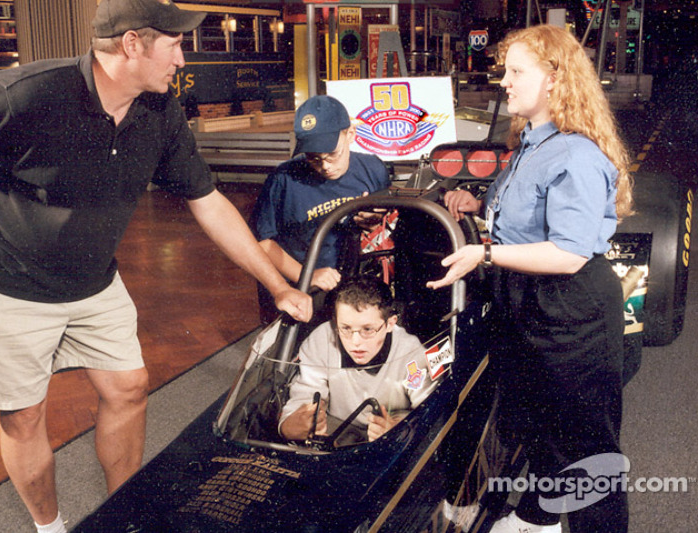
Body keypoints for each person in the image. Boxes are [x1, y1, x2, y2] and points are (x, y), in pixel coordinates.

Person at [0, 1, 311, 532]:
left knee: (128, 387)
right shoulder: (30, 92)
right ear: (131, 45)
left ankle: (126, 514)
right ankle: (49, 527)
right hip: (0, 281)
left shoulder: (158, 110)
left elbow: (208, 201)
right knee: (25, 415)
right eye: (173, 43)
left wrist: (276, 285)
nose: (182, 56)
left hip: (91, 279)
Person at [428, 25, 632, 533]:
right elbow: (522, 218)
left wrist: (485, 252)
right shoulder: (531, 145)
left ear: (555, 80)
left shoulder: (576, 154)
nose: (505, 83)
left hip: (571, 312)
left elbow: (567, 254)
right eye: (505, 71)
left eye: (517, 72)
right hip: (529, 305)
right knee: (542, 429)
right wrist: (477, 206)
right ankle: (541, 516)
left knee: (588, 453)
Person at [251, 95, 391, 323]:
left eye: (332, 155)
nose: (325, 166)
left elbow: (385, 218)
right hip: (295, 285)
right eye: (314, 158)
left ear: (351, 135)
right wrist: (306, 275)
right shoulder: (284, 180)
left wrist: (374, 218)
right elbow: (262, 244)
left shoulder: (372, 169)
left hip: (347, 285)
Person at [279, 276, 434, 444]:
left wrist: (403, 430)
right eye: (345, 328)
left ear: (390, 324)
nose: (355, 342)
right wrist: (289, 426)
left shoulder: (411, 354)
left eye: (367, 329)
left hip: (393, 433)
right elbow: (304, 396)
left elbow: (431, 412)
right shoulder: (322, 339)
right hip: (338, 427)